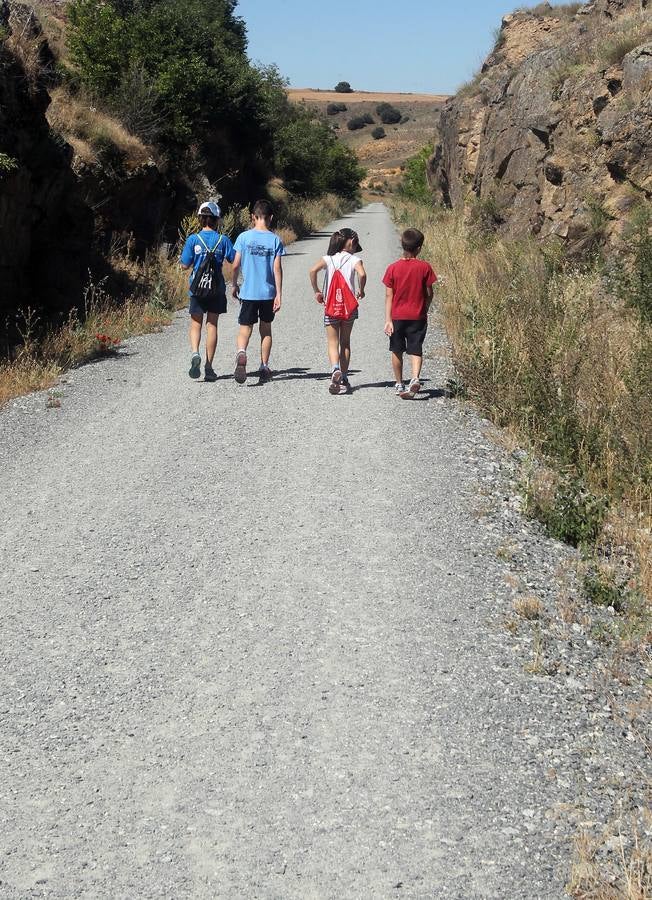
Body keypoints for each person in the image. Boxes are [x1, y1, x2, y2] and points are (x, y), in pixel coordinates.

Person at [179, 200, 236, 381]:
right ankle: (209, 367)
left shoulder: (193, 239)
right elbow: (234, 259)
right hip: (216, 289)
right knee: (212, 325)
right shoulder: (223, 240)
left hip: (197, 289)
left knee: (196, 324)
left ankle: (195, 352)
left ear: (200, 219)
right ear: (217, 220)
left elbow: (185, 265)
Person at [230, 199, 284, 384]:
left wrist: (234, 284)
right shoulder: (275, 239)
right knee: (266, 329)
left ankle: (242, 352)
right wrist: (279, 293)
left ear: (253, 217)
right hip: (268, 294)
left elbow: (235, 264)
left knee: (245, 328)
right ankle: (264, 365)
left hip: (249, 292)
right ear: (270, 218)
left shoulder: (243, 238)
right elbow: (277, 268)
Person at [309, 227, 366, 395]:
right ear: (351, 243)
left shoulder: (328, 259)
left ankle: (335, 369)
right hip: (349, 308)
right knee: (345, 342)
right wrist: (361, 290)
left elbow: (312, 270)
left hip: (331, 307)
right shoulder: (356, 260)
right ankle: (345, 376)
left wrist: (317, 291)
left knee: (332, 342)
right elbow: (362, 275)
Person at [382, 228, 437, 397]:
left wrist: (388, 319)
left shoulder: (392, 268)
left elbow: (388, 295)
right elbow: (429, 293)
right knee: (416, 349)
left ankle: (399, 383)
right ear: (419, 248)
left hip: (397, 317)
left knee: (396, 350)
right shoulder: (425, 267)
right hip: (417, 316)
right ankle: (414, 378)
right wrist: (425, 307)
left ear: (402, 245)